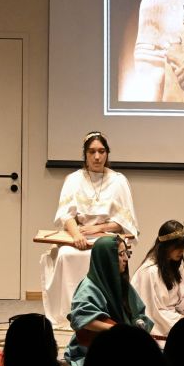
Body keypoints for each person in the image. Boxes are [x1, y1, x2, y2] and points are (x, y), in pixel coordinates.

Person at [40, 131, 139, 327]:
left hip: (107, 235)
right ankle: (71, 313)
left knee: (106, 256)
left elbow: (124, 222)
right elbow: (66, 215)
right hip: (78, 235)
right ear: (85, 154)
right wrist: (77, 235)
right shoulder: (74, 179)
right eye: (92, 151)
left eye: (101, 151)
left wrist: (97, 228)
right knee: (66, 255)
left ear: (107, 154)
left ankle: (105, 312)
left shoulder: (118, 180)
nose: (97, 157)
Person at [63, 234, 154, 366]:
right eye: (120, 254)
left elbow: (137, 312)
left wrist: (138, 324)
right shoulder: (88, 287)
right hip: (96, 346)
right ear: (106, 258)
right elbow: (80, 319)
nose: (125, 259)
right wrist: (115, 329)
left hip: (120, 341)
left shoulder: (120, 282)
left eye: (127, 253)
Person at [129, 220, 184, 337]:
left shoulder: (176, 265)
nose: (181, 251)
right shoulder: (149, 272)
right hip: (160, 324)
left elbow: (179, 304)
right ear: (165, 246)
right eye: (177, 247)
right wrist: (183, 319)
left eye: (183, 247)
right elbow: (152, 314)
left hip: (171, 318)